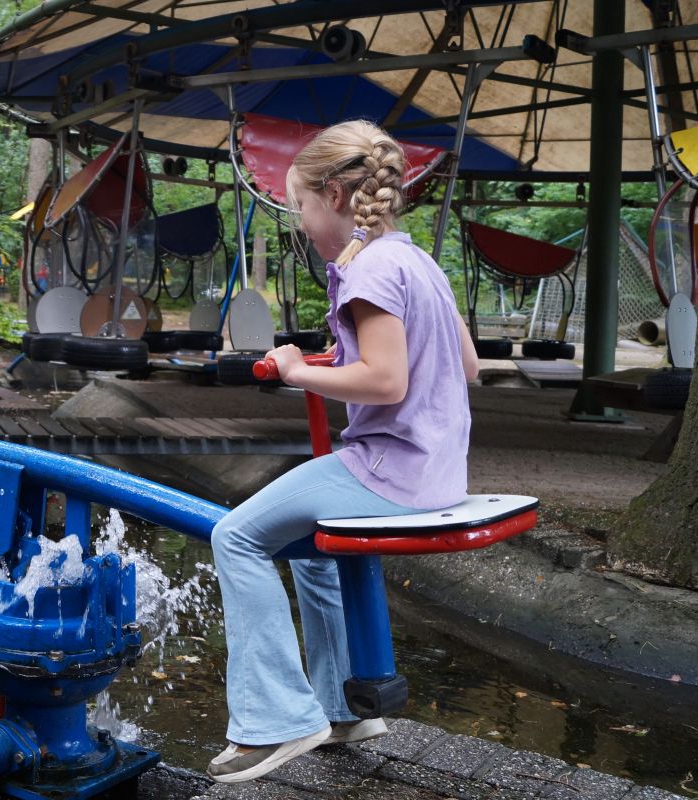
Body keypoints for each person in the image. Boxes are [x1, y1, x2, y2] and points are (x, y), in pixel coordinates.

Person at [204, 120, 480, 784]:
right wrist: (340, 358)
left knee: (234, 536)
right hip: (437, 469)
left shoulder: (368, 271)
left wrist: (300, 370)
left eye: (298, 203)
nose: (298, 221)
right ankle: (338, 706)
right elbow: (467, 365)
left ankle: (275, 721)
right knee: (310, 547)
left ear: (331, 194)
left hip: (390, 468)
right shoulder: (413, 258)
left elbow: (386, 380)